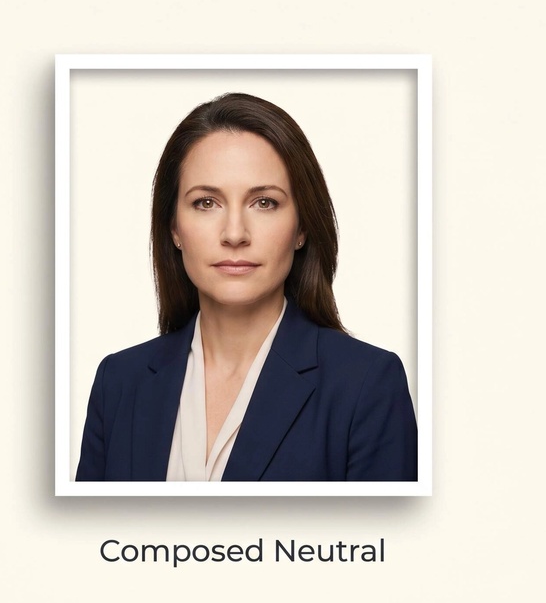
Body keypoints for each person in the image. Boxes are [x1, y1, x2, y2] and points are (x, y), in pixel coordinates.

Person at [76, 93, 416, 482]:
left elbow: (380, 544)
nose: (234, 234)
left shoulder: (367, 385)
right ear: (174, 228)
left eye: (264, 203)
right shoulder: (119, 383)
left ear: (302, 227)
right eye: (206, 202)